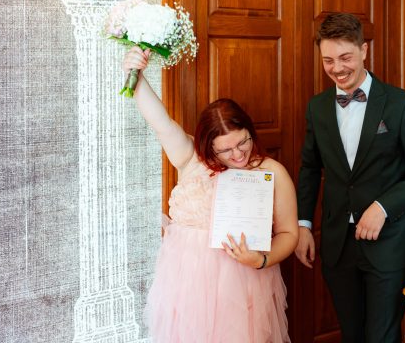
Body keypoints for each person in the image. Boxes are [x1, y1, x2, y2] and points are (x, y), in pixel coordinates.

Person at [122, 46, 299, 342]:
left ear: (250, 131)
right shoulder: (190, 158)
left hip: (243, 282)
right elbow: (160, 122)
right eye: (225, 150)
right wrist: (135, 74)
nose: (238, 154)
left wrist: (261, 260)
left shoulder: (271, 171)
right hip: (188, 281)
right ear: (207, 146)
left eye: (243, 142)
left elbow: (288, 234)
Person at [295, 13, 405, 343]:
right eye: (328, 60)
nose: (337, 68)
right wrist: (303, 225)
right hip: (337, 245)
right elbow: (309, 169)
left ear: (364, 50)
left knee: (381, 338)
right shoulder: (317, 108)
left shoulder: (402, 104)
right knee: (352, 336)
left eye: (345, 57)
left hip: (389, 244)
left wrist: (382, 207)